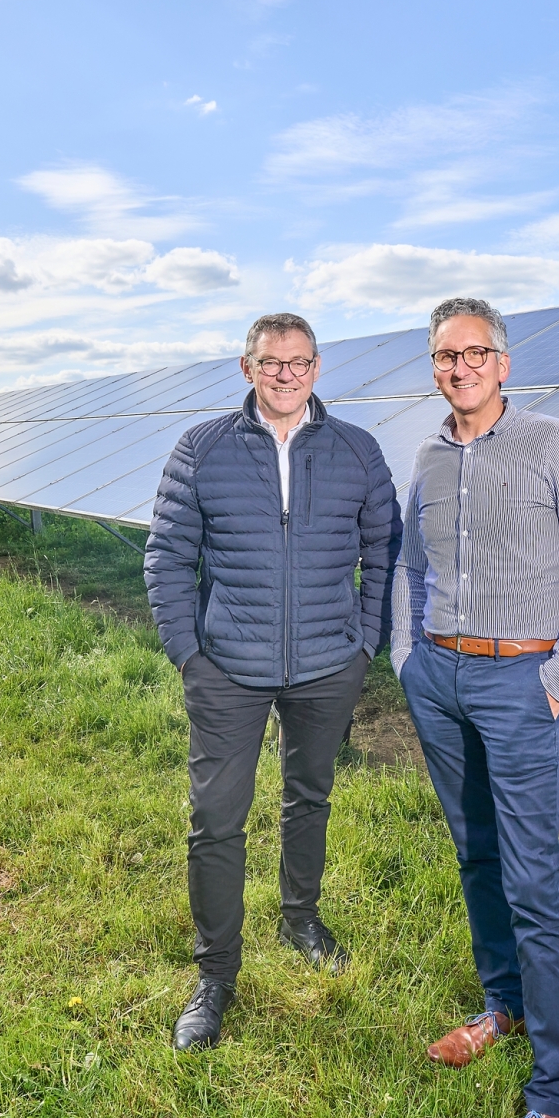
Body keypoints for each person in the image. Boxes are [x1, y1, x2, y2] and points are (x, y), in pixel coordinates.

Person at [390, 297, 559, 1118]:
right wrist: (409, 657)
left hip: (521, 680)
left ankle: (555, 1093)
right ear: (436, 367)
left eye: (474, 352)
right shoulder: (427, 456)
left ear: (503, 363)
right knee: (476, 853)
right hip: (441, 679)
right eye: (445, 356)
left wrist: (557, 679)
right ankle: (503, 1006)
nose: (459, 367)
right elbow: (410, 564)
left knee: (533, 880)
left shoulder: (551, 444)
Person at [144, 312, 400, 1052]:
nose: (286, 374)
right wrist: (189, 654)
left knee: (309, 795)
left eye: (299, 362)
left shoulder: (357, 450)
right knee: (216, 821)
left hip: (327, 666)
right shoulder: (203, 449)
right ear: (246, 368)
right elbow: (166, 558)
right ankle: (216, 976)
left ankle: (300, 919)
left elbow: (383, 545)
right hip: (227, 667)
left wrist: (365, 642)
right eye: (271, 362)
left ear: (317, 369)